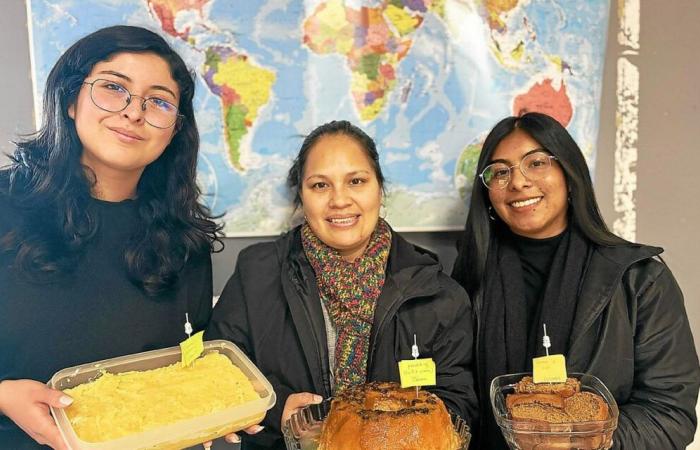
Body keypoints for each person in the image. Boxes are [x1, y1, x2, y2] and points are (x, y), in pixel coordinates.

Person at [0, 26, 227, 449]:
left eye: (158, 101)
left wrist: (217, 405)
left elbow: (187, 363)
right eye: (113, 88)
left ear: (175, 129)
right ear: (70, 100)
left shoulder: (185, 240)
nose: (133, 113)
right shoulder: (5, 205)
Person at [207, 120, 478, 449]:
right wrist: (275, 407)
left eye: (356, 181)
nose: (339, 200)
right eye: (320, 185)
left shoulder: (436, 292)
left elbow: (457, 400)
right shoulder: (257, 274)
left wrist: (400, 435)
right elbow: (219, 369)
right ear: (301, 196)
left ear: (379, 189)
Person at [452, 112, 700, 449]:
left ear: (570, 174)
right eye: (500, 171)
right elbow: (456, 398)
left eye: (536, 163)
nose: (518, 182)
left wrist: (582, 438)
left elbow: (671, 414)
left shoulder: (640, 280)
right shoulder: (466, 281)